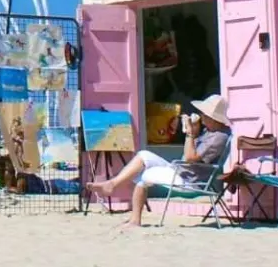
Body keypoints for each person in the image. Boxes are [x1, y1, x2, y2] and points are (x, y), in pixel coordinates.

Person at [85, 94, 232, 227]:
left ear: (213, 118)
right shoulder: (210, 131)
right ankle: (112, 184)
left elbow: (189, 158)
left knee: (145, 176)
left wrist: (190, 134)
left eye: (204, 114)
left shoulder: (218, 137)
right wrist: (191, 131)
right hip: (180, 170)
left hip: (188, 179)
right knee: (143, 155)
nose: (202, 116)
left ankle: (135, 219)